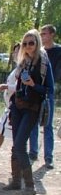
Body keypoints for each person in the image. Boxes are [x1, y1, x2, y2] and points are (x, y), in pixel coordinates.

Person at [3, 29, 53, 195]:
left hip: (32, 108)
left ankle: (30, 186)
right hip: (18, 106)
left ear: (37, 43)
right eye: (25, 43)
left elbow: (50, 89)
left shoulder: (44, 63)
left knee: (19, 145)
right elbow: (17, 85)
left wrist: (33, 84)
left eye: (31, 43)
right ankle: (16, 181)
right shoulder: (23, 62)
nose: (28, 46)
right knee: (16, 145)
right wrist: (12, 104)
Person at [29, 24, 60, 169]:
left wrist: (49, 85)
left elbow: (57, 73)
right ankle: (33, 152)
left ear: (52, 34)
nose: (42, 36)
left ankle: (48, 157)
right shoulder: (38, 51)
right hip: (35, 90)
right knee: (33, 122)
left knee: (47, 124)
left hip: (48, 92)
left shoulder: (58, 51)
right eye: (40, 34)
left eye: (44, 34)